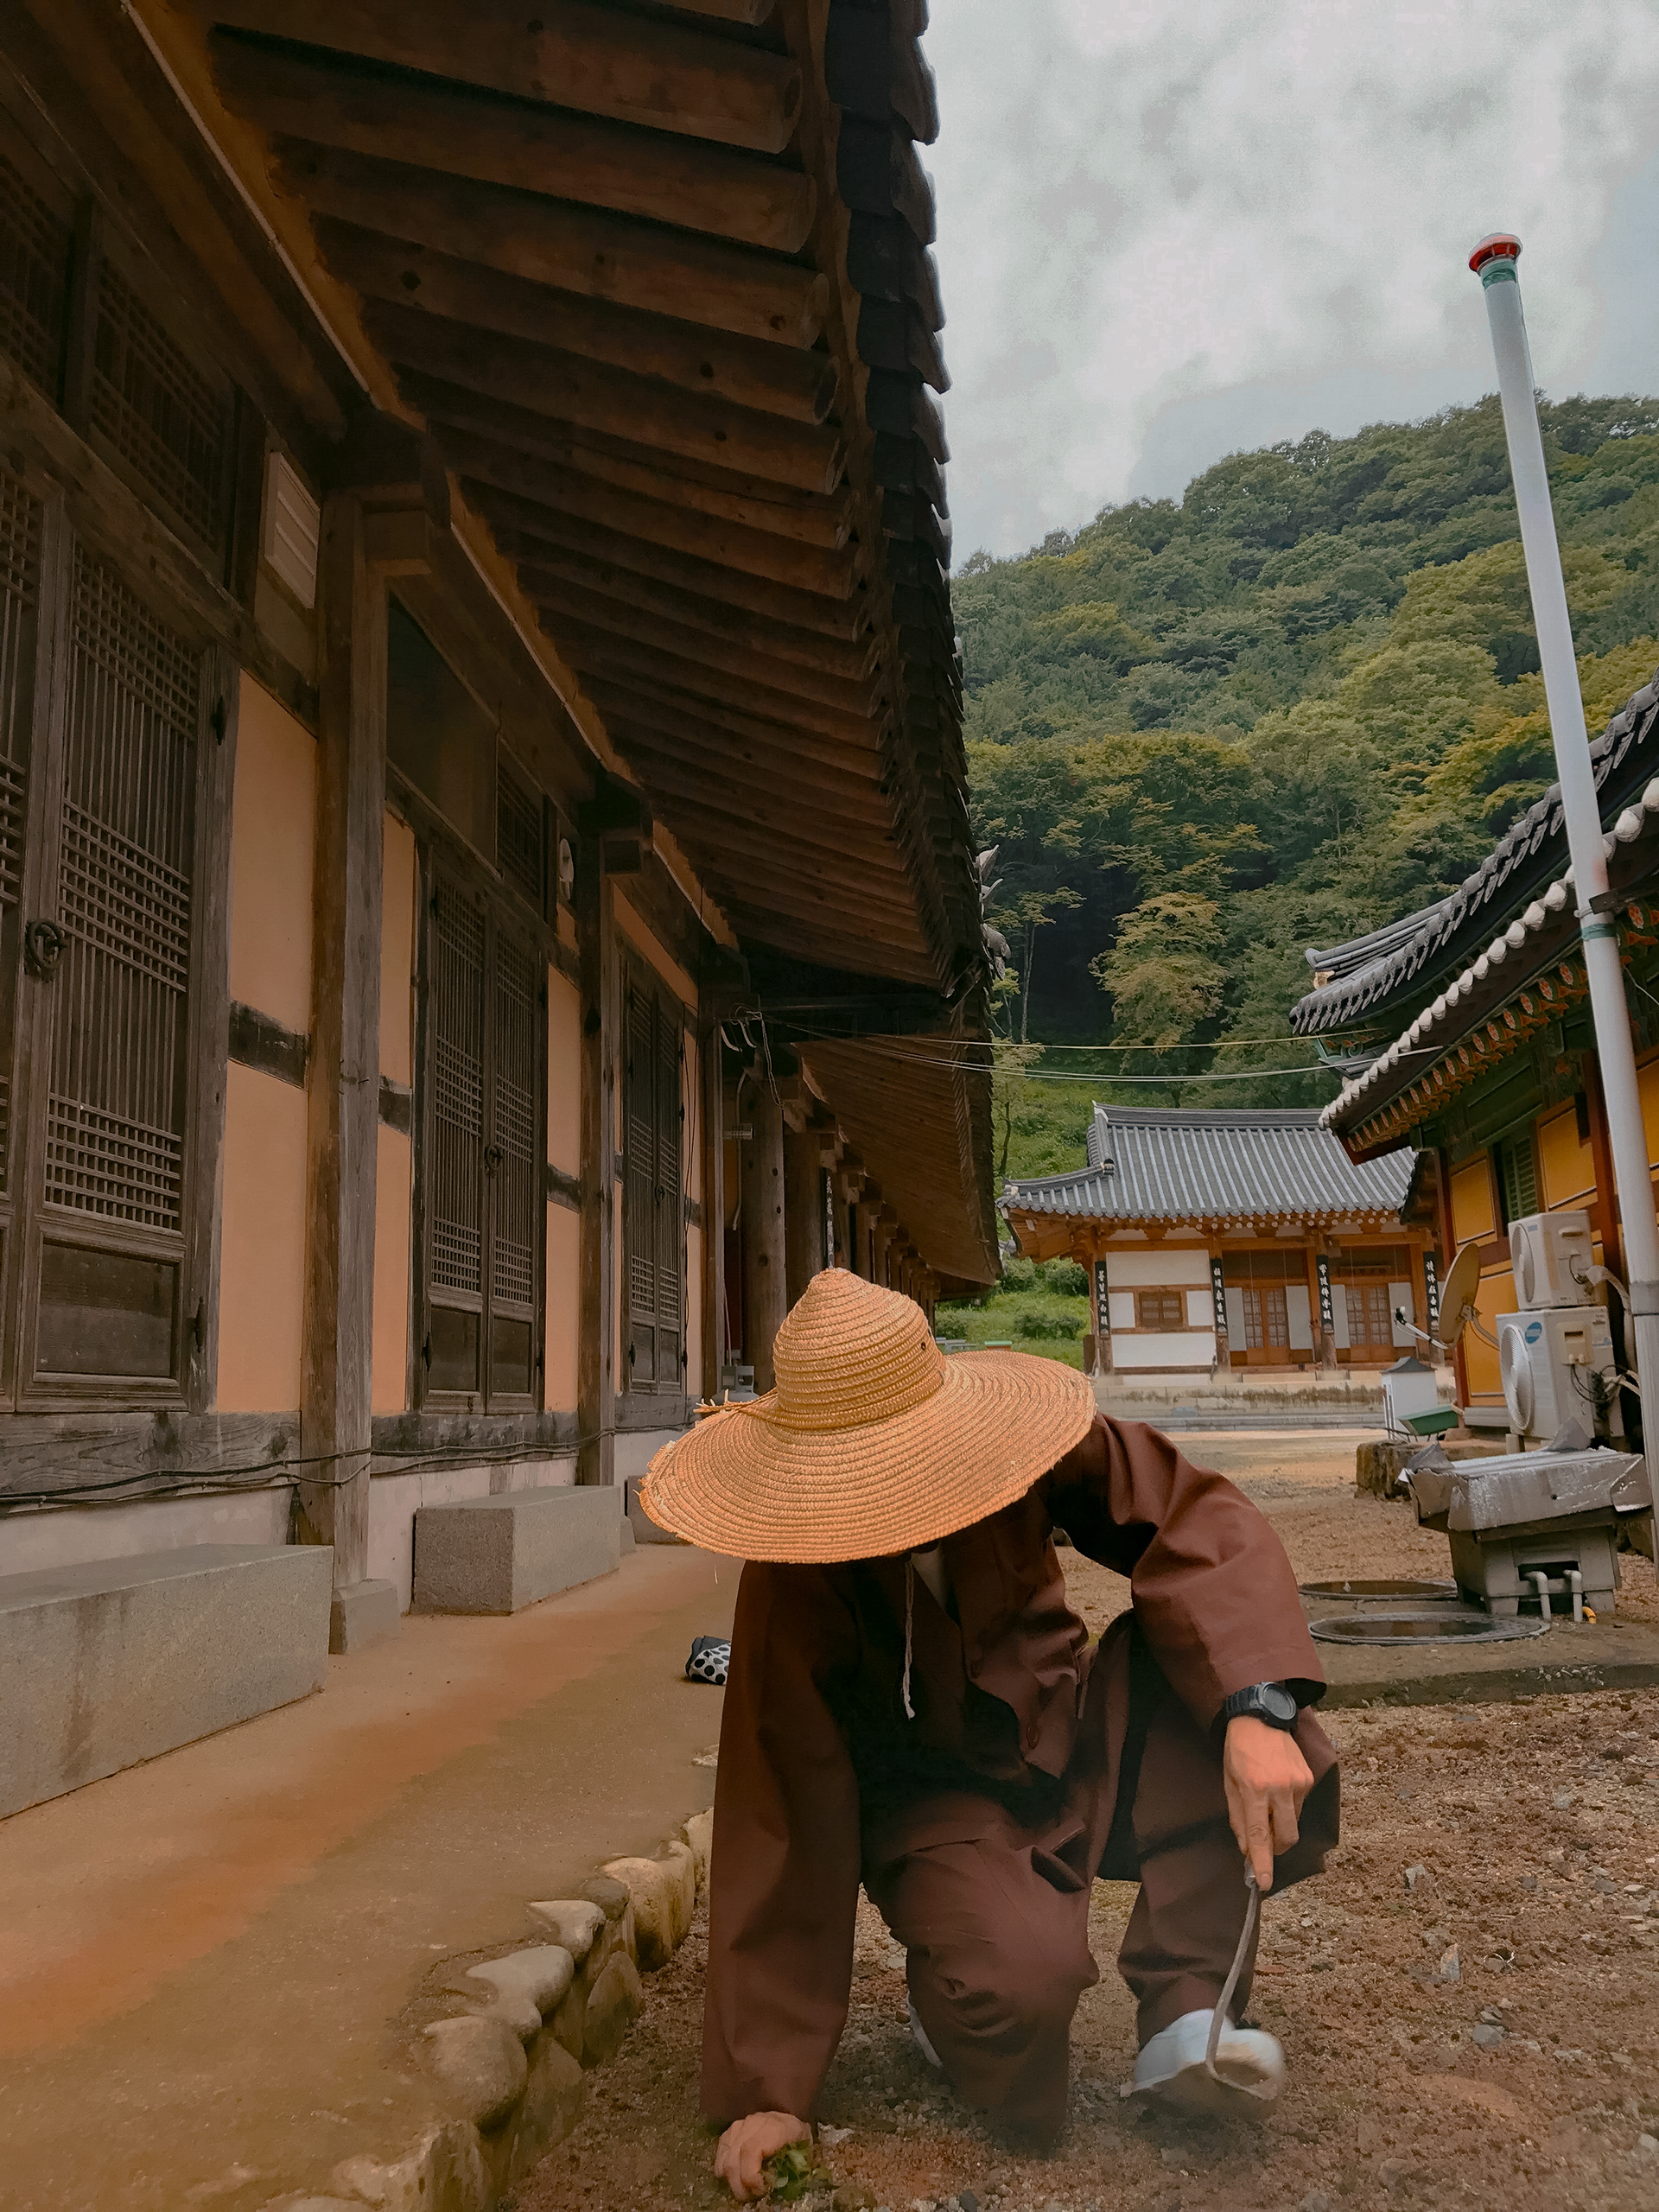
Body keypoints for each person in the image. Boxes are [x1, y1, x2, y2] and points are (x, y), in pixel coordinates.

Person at [641, 1270, 1338, 2204]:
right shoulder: (795, 1567)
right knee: (1017, 1992)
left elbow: (1189, 1517)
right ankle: (949, 1978)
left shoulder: (1020, 1444)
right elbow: (782, 1802)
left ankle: (1189, 2005)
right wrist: (771, 2089)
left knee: (1235, 1691)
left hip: (1069, 1726)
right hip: (941, 1805)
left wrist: (1255, 1707)